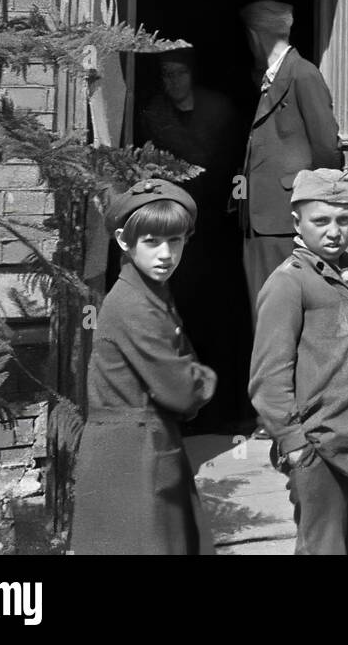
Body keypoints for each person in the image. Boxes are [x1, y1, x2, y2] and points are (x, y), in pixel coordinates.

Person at [248, 168, 348, 555]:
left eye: (344, 220)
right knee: (324, 548)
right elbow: (268, 378)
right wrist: (295, 444)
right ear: (297, 223)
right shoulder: (290, 282)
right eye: (321, 220)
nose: (334, 231)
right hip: (321, 443)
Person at [70, 178, 217, 555]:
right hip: (132, 455)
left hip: (143, 446)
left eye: (175, 241)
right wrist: (205, 377)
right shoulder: (135, 306)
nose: (165, 254)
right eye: (151, 242)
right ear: (124, 241)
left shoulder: (150, 293)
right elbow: (183, 390)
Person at [141, 48, 249, 429]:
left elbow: (222, 164)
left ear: (192, 74)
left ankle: (225, 412)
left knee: (219, 319)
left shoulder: (217, 110)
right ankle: (185, 411)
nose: (172, 82)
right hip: (176, 233)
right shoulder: (155, 114)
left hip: (215, 230)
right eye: (166, 74)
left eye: (179, 73)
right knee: (180, 317)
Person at [238, 0, 343, 306]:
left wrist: (314, 210)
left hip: (285, 219)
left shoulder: (302, 73)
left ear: (254, 36)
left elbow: (326, 148)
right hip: (262, 219)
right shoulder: (270, 76)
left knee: (281, 309)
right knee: (265, 308)